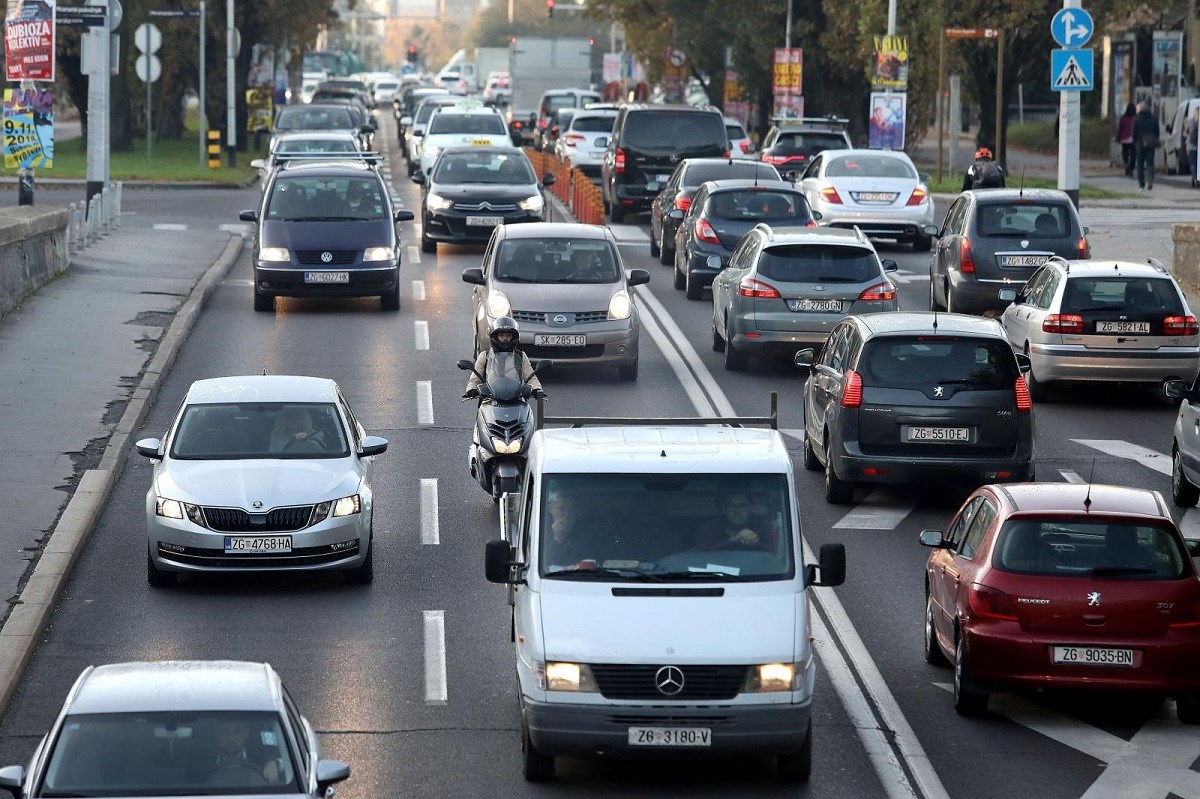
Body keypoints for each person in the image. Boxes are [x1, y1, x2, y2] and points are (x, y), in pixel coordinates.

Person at [463, 316, 543, 399]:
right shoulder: (484, 356)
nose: (505, 338)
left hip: (516, 398)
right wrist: (471, 389)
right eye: (501, 335)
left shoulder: (521, 355)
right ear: (494, 336)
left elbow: (531, 377)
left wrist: (536, 389)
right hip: (490, 399)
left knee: (527, 412)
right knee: (483, 412)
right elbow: (475, 378)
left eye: (508, 335)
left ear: (514, 337)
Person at [695, 492, 778, 551]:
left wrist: (756, 544)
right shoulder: (709, 529)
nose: (737, 511)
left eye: (742, 506)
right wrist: (733, 540)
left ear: (750, 508)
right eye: (732, 506)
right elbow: (701, 554)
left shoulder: (764, 528)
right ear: (724, 508)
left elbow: (773, 555)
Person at [206, 719, 279, 787]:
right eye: (224, 732)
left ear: (246, 733)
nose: (230, 738)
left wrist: (271, 763)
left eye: (237, 732)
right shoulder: (203, 763)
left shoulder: (264, 761)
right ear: (216, 734)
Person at [543, 490, 594, 566]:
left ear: (577, 512)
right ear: (550, 509)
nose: (567, 514)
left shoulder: (588, 535)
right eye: (562, 509)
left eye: (571, 509)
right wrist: (558, 539)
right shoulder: (540, 530)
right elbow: (545, 564)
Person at [1132, 101, 1160, 191]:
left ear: (1139, 109)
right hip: (1151, 143)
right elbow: (1157, 132)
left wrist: (1135, 142)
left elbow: (1133, 133)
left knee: (1140, 165)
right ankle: (1150, 176)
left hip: (1140, 144)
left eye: (1137, 109)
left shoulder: (1136, 119)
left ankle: (1141, 185)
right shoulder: (1154, 119)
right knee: (1150, 163)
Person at [1116, 102, 1136, 177]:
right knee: (1134, 155)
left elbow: (1120, 129)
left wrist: (1118, 138)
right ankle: (1130, 168)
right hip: (1134, 139)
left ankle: (1127, 164)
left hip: (1124, 139)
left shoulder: (1123, 118)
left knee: (1125, 154)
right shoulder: (1136, 118)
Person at [1189, 108, 1199, 188]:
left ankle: (1194, 178)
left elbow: (1187, 132)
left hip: (1192, 145)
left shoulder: (1190, 121)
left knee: (1193, 163)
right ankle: (1197, 179)